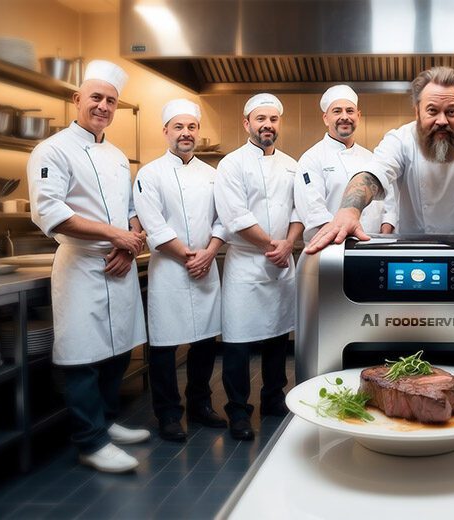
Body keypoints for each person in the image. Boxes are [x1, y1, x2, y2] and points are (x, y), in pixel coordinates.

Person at [27, 59, 150, 473]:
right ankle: (90, 441)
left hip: (119, 263)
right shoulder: (52, 150)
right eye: (95, 97)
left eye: (110, 100)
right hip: (81, 266)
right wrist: (117, 237)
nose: (103, 106)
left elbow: (132, 210)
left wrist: (129, 245)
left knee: (117, 349)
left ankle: (108, 421)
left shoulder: (116, 155)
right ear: (77, 99)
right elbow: (51, 213)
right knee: (81, 356)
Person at [303, 66, 454, 253]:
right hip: (411, 254)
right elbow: (371, 175)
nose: (442, 121)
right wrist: (348, 211)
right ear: (417, 112)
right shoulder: (400, 139)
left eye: (452, 112)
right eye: (432, 111)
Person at [133, 99, 228, 443]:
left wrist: (211, 251)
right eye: (178, 127)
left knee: (205, 342)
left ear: (197, 132)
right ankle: (168, 414)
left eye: (191, 127)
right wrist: (191, 256)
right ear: (166, 132)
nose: (185, 133)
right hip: (171, 270)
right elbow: (153, 224)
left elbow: (224, 218)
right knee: (164, 346)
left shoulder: (212, 175)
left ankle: (200, 405)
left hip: (206, 265)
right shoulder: (149, 174)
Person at [214, 93, 303, 441]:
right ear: (246, 123)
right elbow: (235, 216)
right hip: (246, 264)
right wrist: (272, 245)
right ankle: (238, 410)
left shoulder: (292, 164)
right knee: (237, 342)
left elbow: (300, 210)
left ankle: (273, 399)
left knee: (278, 338)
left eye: (273, 119)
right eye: (260, 119)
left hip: (282, 261)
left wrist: (289, 243)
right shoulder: (231, 164)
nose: (267, 125)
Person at [294, 84, 397, 243]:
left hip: (374, 246)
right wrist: (341, 240)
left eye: (350, 111)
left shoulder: (371, 157)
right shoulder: (311, 159)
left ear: (358, 115)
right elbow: (313, 211)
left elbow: (390, 200)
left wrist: (385, 232)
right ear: (325, 118)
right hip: (333, 248)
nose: (345, 116)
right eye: (337, 111)